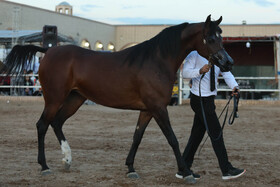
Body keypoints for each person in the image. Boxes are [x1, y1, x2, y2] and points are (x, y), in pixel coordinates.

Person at [176, 51, 246, 180]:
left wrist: (234, 86)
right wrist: (199, 71)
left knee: (196, 135)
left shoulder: (219, 55)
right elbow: (185, 72)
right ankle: (226, 169)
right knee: (216, 133)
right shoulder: (194, 55)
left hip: (208, 100)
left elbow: (226, 72)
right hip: (199, 99)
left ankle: (183, 168)